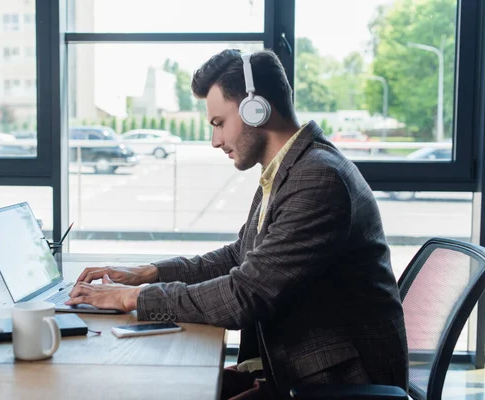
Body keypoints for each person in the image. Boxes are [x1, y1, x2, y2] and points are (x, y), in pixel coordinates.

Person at [67, 49, 409, 399]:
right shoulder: (287, 169)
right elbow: (239, 257)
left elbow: (247, 294)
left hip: (338, 385)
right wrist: (146, 274)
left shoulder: (319, 179)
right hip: (296, 372)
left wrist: (130, 299)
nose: (215, 140)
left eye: (218, 123)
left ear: (255, 109)